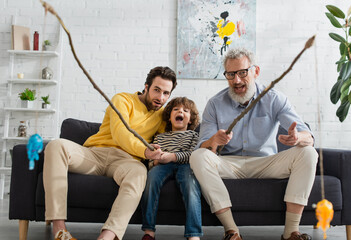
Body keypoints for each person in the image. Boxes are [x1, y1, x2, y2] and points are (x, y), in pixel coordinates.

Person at [189, 48, 318, 240]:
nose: (237, 80)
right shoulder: (215, 104)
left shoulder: (274, 98)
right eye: (231, 75)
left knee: (309, 152)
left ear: (255, 72)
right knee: (198, 156)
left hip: (266, 163)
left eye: (242, 72)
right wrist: (213, 141)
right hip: (229, 164)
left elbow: (309, 136)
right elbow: (204, 148)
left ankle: (291, 232)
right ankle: (232, 231)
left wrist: (298, 138)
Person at [43, 66, 177, 240]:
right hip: (95, 154)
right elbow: (120, 133)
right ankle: (60, 230)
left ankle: (108, 236)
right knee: (56, 146)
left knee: (139, 173)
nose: (160, 98)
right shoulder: (122, 99)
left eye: (166, 93)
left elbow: (163, 141)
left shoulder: (161, 116)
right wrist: (144, 150)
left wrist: (160, 154)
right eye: (157, 90)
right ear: (146, 87)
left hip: (126, 161)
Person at [141, 97, 203, 240]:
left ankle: (193, 234)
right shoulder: (160, 138)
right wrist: (155, 162)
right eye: (176, 109)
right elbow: (151, 158)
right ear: (169, 117)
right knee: (151, 179)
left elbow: (194, 155)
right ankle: (149, 232)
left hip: (186, 165)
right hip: (163, 165)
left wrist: (173, 156)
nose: (180, 111)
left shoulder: (194, 136)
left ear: (190, 120)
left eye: (185, 111)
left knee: (191, 185)